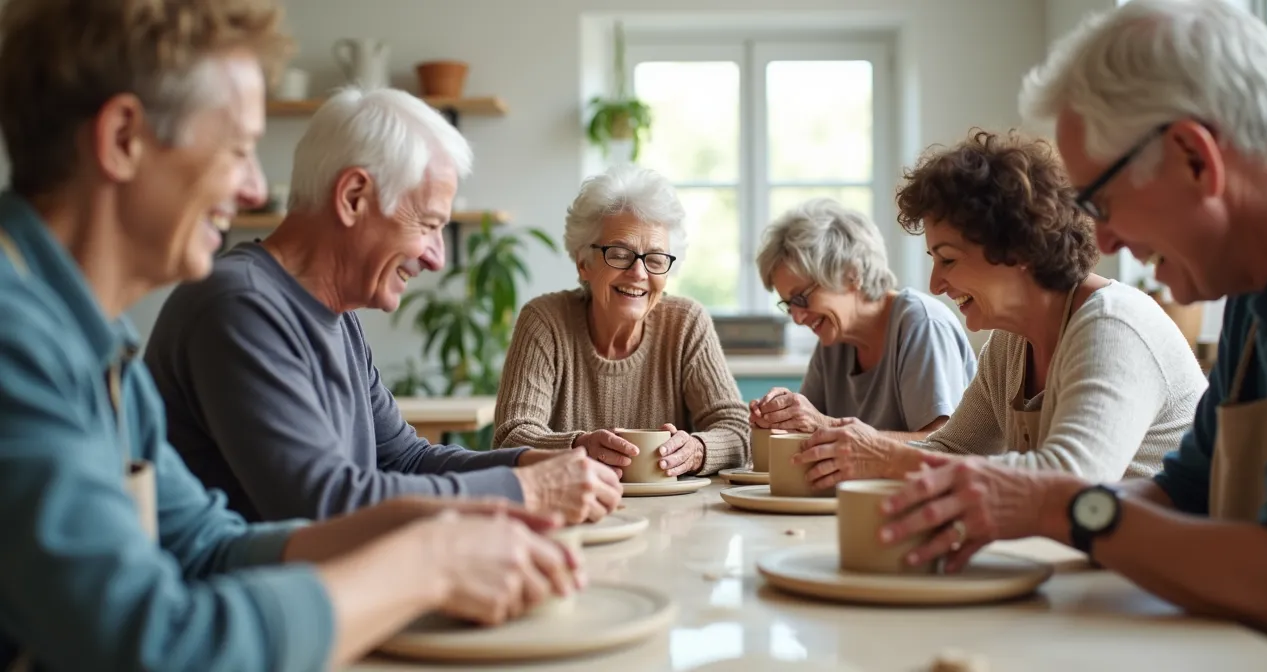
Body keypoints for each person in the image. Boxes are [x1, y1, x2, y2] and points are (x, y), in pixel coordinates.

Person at [0, 1, 578, 669]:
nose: (252, 189)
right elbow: (155, 645)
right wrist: (430, 561)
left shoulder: (96, 345)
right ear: (124, 138)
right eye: (240, 149)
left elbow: (205, 546)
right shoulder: (17, 341)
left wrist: (466, 524)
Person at [879, 0, 1267, 649]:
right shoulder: (1255, 288)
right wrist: (1015, 502)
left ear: (1195, 157)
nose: (1102, 236)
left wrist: (1056, 506)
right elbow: (1181, 495)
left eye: (1101, 202)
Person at [144, 85, 621, 524]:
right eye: (429, 224)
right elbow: (324, 503)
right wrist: (524, 490)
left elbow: (405, 459)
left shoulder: (336, 314)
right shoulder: (239, 306)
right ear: (354, 197)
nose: (437, 258)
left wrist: (533, 462)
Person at [793, 129, 1207, 490]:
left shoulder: (1113, 325)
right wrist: (857, 446)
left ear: (1018, 250)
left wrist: (887, 457)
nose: (936, 284)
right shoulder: (1010, 344)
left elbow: (1071, 479)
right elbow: (951, 449)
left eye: (948, 259)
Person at [493, 164, 749, 477]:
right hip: (572, 511)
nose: (639, 273)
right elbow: (509, 439)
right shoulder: (545, 322)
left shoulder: (686, 324)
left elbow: (738, 430)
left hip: (672, 514)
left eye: (655, 259)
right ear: (583, 262)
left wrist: (697, 450)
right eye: (619, 253)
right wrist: (579, 447)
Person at [750, 197, 977, 438]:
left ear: (852, 274)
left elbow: (943, 447)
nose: (796, 318)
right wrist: (782, 420)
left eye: (801, 298)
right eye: (788, 304)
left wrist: (825, 425)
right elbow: (807, 431)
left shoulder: (921, 323)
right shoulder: (833, 342)